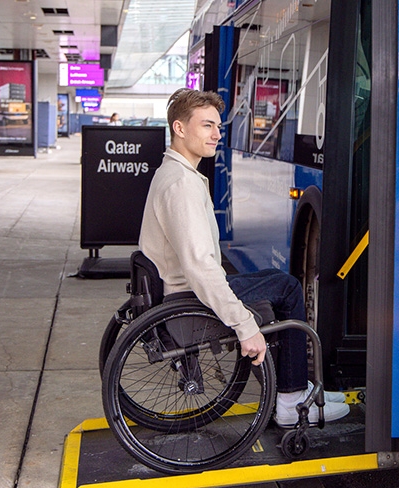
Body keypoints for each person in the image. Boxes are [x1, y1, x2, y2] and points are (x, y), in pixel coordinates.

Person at [138, 88, 349, 426]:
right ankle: (291, 400)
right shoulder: (181, 185)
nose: (217, 135)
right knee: (288, 291)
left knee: (282, 282)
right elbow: (200, 267)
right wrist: (244, 324)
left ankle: (292, 387)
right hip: (187, 300)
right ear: (179, 128)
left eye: (217, 126)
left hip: (180, 291)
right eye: (207, 126)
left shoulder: (177, 173)